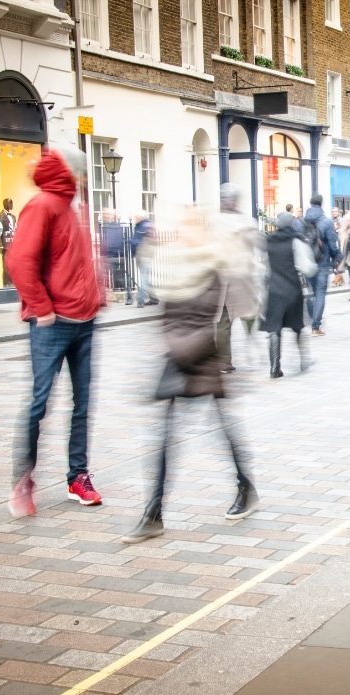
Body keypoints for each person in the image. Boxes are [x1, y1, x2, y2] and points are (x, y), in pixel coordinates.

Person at [121, 209, 259, 544]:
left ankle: (245, 487)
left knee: (223, 431)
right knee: (166, 440)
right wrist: (171, 347)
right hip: (178, 358)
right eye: (181, 225)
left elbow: (207, 318)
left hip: (201, 358)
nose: (184, 232)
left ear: (204, 231)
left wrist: (176, 351)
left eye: (191, 226)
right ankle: (153, 513)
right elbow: (166, 315)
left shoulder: (213, 266)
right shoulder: (175, 266)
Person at [6, 143, 106, 517]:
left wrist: (97, 296)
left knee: (83, 403)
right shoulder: (44, 205)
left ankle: (77, 475)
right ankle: (23, 480)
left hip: (84, 321)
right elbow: (20, 260)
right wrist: (43, 308)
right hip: (53, 324)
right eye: (81, 174)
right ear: (70, 173)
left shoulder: (72, 208)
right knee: (39, 403)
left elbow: (76, 261)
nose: (84, 181)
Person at [214, 183, 265, 373]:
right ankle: (253, 345)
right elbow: (259, 243)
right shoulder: (246, 222)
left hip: (221, 275)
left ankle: (224, 361)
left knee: (223, 320)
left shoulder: (213, 221)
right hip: (242, 275)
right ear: (235, 200)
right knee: (249, 312)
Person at [261, 211, 310, 378]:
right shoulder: (296, 240)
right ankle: (303, 359)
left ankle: (275, 366)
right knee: (297, 326)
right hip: (292, 288)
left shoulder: (268, 241)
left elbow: (263, 266)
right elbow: (306, 266)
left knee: (274, 329)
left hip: (274, 289)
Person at [303, 194, 343, 336]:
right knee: (320, 294)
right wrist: (339, 258)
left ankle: (312, 316)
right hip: (322, 262)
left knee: (311, 292)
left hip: (307, 262)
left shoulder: (303, 221)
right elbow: (332, 244)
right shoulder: (326, 222)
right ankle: (315, 326)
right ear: (321, 204)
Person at [100, 209, 129, 302]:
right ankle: (127, 297)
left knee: (115, 277)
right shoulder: (114, 227)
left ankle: (125, 296)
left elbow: (112, 242)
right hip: (116, 255)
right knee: (118, 277)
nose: (106, 216)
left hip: (113, 255)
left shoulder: (110, 227)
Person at [130, 211, 156, 307]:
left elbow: (135, 242)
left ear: (140, 217)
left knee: (144, 278)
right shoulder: (147, 225)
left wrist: (133, 252)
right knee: (146, 277)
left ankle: (140, 300)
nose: (134, 218)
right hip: (146, 255)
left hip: (143, 255)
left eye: (135, 216)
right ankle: (154, 298)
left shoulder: (142, 226)